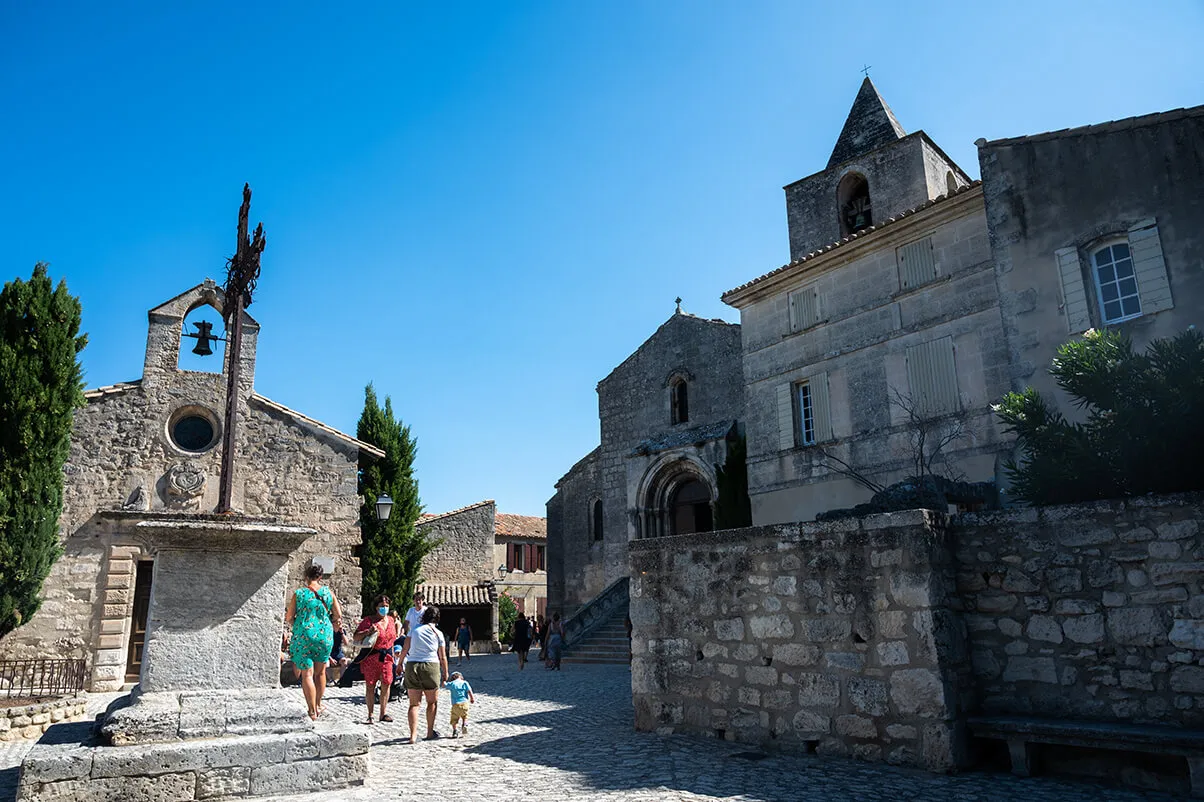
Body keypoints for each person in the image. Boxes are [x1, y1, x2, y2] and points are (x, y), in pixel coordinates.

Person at [283, 565, 343, 720]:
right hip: (324, 635)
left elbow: (289, 617)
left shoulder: (300, 593)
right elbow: (338, 614)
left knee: (307, 674)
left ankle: (311, 711)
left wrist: (299, 623)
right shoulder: (328, 593)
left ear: (306, 577)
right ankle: (318, 704)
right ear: (320, 577)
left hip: (304, 635)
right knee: (321, 672)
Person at [397, 605, 449, 744]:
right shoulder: (438, 633)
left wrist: (399, 663)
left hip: (412, 665)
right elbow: (442, 656)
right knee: (431, 702)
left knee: (414, 704)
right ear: (437, 618)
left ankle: (413, 735)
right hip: (431, 666)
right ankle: (429, 732)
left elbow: (405, 648)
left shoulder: (414, 630)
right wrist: (446, 673)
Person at [354, 594, 399, 725]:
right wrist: (368, 631)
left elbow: (392, 639)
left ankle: (383, 713)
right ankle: (370, 714)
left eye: (386, 606)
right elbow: (356, 637)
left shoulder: (391, 620)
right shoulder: (369, 620)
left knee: (387, 683)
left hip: (387, 657)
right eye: (381, 606)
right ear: (376, 607)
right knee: (370, 685)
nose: (384, 608)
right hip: (372, 657)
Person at [446, 671, 476, 738]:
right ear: (460, 677)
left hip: (455, 704)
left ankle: (455, 731)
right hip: (464, 703)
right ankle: (465, 724)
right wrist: (472, 698)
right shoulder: (465, 682)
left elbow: (444, 685)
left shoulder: (452, 684)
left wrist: (444, 678)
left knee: (454, 718)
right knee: (465, 716)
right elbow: (469, 691)